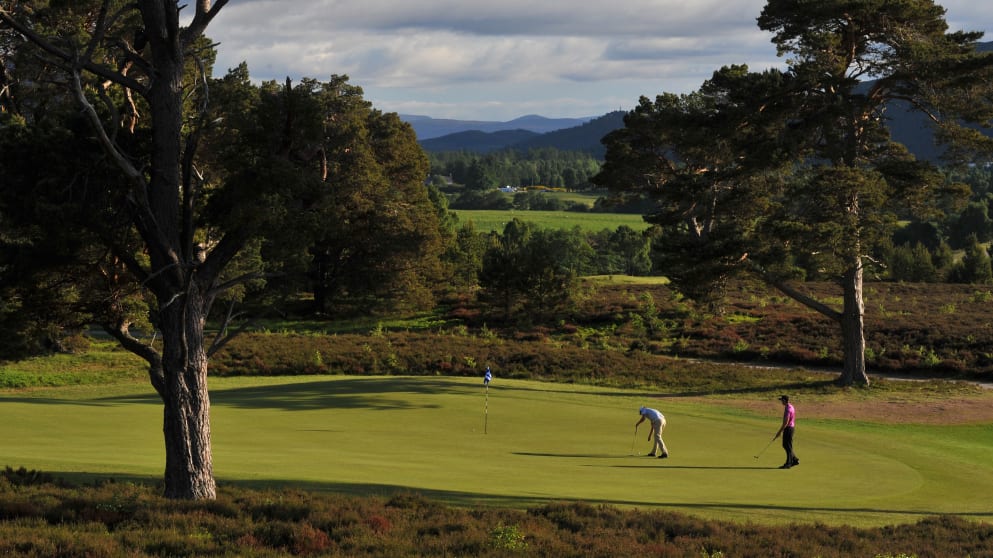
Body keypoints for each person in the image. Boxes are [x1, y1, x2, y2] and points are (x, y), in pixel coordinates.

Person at [773, 395, 799, 469]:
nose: (781, 401)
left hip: (788, 428)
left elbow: (786, 422)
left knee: (787, 446)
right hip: (790, 428)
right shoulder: (790, 406)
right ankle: (794, 459)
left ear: (784, 400)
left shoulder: (788, 409)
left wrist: (779, 432)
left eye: (782, 400)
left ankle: (788, 463)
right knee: (786, 445)